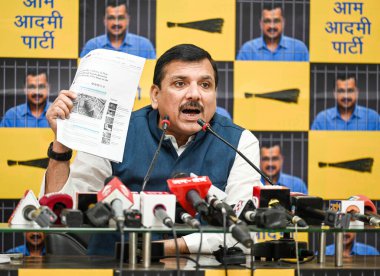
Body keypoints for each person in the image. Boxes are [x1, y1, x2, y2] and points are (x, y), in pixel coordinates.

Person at [41, 44, 261, 255]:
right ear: (155, 95)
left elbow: (243, 230)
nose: (195, 94)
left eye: (205, 85)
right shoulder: (114, 132)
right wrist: (61, 144)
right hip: (116, 267)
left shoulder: (240, 142)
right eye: (180, 84)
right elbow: (62, 215)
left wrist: (165, 248)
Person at [80, 0, 155, 59]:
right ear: (105, 20)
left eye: (121, 18)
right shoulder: (92, 45)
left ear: (128, 19)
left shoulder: (144, 45)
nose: (116, 23)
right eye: (111, 18)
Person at [236, 3, 309, 61]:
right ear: (261, 24)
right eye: (267, 21)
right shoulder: (247, 50)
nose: (272, 26)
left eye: (276, 21)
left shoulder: (299, 49)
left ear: (283, 22)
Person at [311, 74, 380, 130]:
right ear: (335, 94)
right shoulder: (322, 119)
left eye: (350, 91)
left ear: (357, 93)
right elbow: (314, 146)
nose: (346, 96)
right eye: (341, 91)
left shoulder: (373, 118)